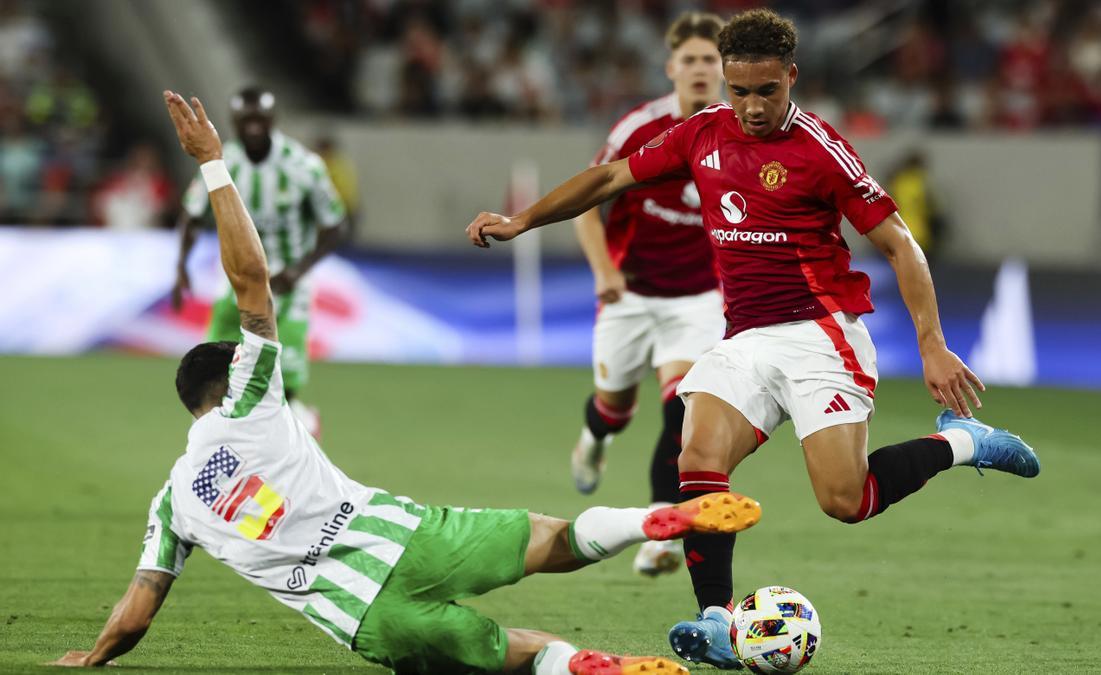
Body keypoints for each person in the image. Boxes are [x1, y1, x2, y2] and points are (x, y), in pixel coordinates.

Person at [48, 91, 764, 675]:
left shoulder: (173, 500)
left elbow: (142, 599)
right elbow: (251, 280)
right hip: (411, 536)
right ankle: (650, 520)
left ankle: (585, 666)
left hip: (363, 615)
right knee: (554, 537)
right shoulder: (249, 392)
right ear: (226, 371)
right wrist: (211, 162)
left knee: (511, 653)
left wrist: (97, 655)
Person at [466, 9, 1041, 669]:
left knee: (843, 501)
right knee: (698, 455)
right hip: (743, 338)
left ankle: (964, 442)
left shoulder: (820, 151)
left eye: (766, 91)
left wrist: (932, 344)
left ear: (791, 78)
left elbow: (901, 244)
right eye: (739, 91)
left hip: (821, 336)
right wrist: (521, 221)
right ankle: (715, 618)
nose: (751, 106)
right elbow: (608, 179)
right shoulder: (701, 134)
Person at [569, 11, 726, 579]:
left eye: (711, 59)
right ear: (671, 68)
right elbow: (586, 199)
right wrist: (604, 270)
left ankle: (662, 526)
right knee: (614, 408)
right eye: (691, 60)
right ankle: (594, 437)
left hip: (697, 300)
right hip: (629, 295)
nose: (701, 69)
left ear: (725, 68)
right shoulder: (639, 128)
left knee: (683, 410)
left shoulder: (740, 132)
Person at [171, 86, 346, 438]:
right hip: (235, 283)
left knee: (285, 379)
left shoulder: (303, 166)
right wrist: (180, 268)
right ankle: (224, 440)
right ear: (235, 121)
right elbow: (190, 215)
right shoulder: (222, 162)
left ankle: (295, 426)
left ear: (271, 120)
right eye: (244, 119)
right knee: (212, 368)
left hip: (287, 284)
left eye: (258, 118)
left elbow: (336, 224)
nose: (252, 126)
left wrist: (298, 270)